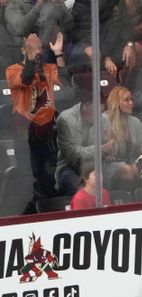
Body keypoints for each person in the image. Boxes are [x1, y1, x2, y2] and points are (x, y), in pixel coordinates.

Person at [5, 31, 65, 211]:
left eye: (39, 47)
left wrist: (58, 54)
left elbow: (64, 79)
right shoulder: (12, 69)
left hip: (47, 130)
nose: (37, 50)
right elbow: (25, 79)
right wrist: (31, 58)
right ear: (24, 50)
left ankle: (50, 208)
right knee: (29, 175)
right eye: (32, 47)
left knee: (49, 174)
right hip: (25, 131)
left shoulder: (47, 67)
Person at [95, 85, 142, 191]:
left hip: (130, 163)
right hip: (106, 165)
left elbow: (140, 149)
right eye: (126, 100)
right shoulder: (103, 121)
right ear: (116, 103)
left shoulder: (135, 122)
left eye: (131, 99)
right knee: (126, 170)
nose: (131, 103)